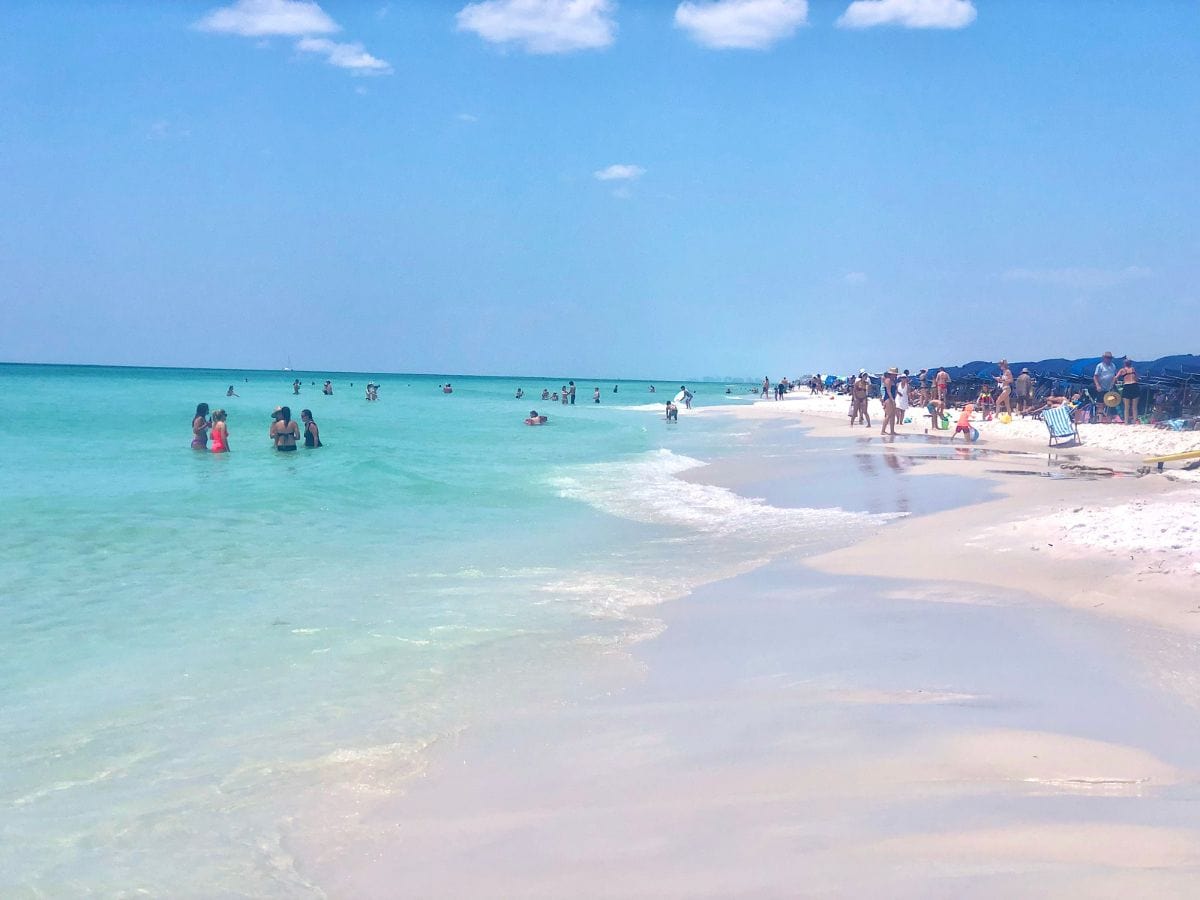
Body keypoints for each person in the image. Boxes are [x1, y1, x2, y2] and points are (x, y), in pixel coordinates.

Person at [1093, 352, 1118, 419]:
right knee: (1100, 404)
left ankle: (1109, 420)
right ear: (1104, 358)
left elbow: (1114, 376)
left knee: (1110, 404)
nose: (1109, 359)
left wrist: (1114, 383)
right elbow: (1095, 377)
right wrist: (1097, 385)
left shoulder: (1113, 366)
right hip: (1101, 388)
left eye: (1110, 358)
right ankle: (1099, 419)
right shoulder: (1100, 366)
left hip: (1110, 388)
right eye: (1107, 358)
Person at [1116, 357, 1139, 424]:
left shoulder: (1122, 370)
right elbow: (1137, 378)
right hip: (1134, 386)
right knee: (1134, 407)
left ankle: (1126, 422)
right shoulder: (1133, 369)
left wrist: (1117, 382)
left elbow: (1116, 377)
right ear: (1130, 363)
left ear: (1124, 364)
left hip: (1127, 386)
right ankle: (1135, 421)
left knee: (1126, 407)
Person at [880, 368, 898, 436]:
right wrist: (892, 399)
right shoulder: (888, 380)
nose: (895, 375)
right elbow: (888, 391)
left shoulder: (893, 380)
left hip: (892, 398)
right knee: (888, 415)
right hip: (888, 398)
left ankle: (892, 431)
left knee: (893, 415)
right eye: (895, 374)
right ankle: (883, 430)